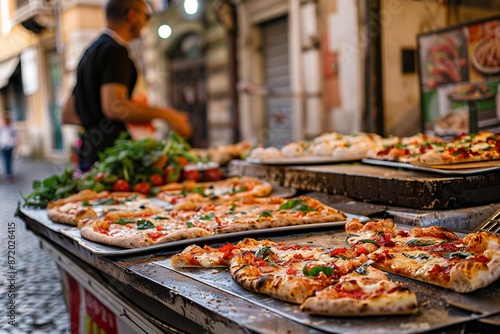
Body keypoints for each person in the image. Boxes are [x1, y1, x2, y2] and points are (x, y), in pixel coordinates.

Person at [62, 0, 192, 171]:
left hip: (89, 153)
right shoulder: (115, 51)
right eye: (146, 16)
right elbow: (114, 108)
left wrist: (96, 125)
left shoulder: (89, 54)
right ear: (132, 15)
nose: (146, 21)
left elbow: (68, 114)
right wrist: (167, 115)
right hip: (113, 159)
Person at [0, 114, 18, 183]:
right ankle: (8, 174)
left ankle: (8, 174)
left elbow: (16, 137)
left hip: (9, 146)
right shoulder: (2, 128)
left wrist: (16, 145)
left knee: (9, 160)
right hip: (3, 147)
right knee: (7, 160)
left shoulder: (12, 128)